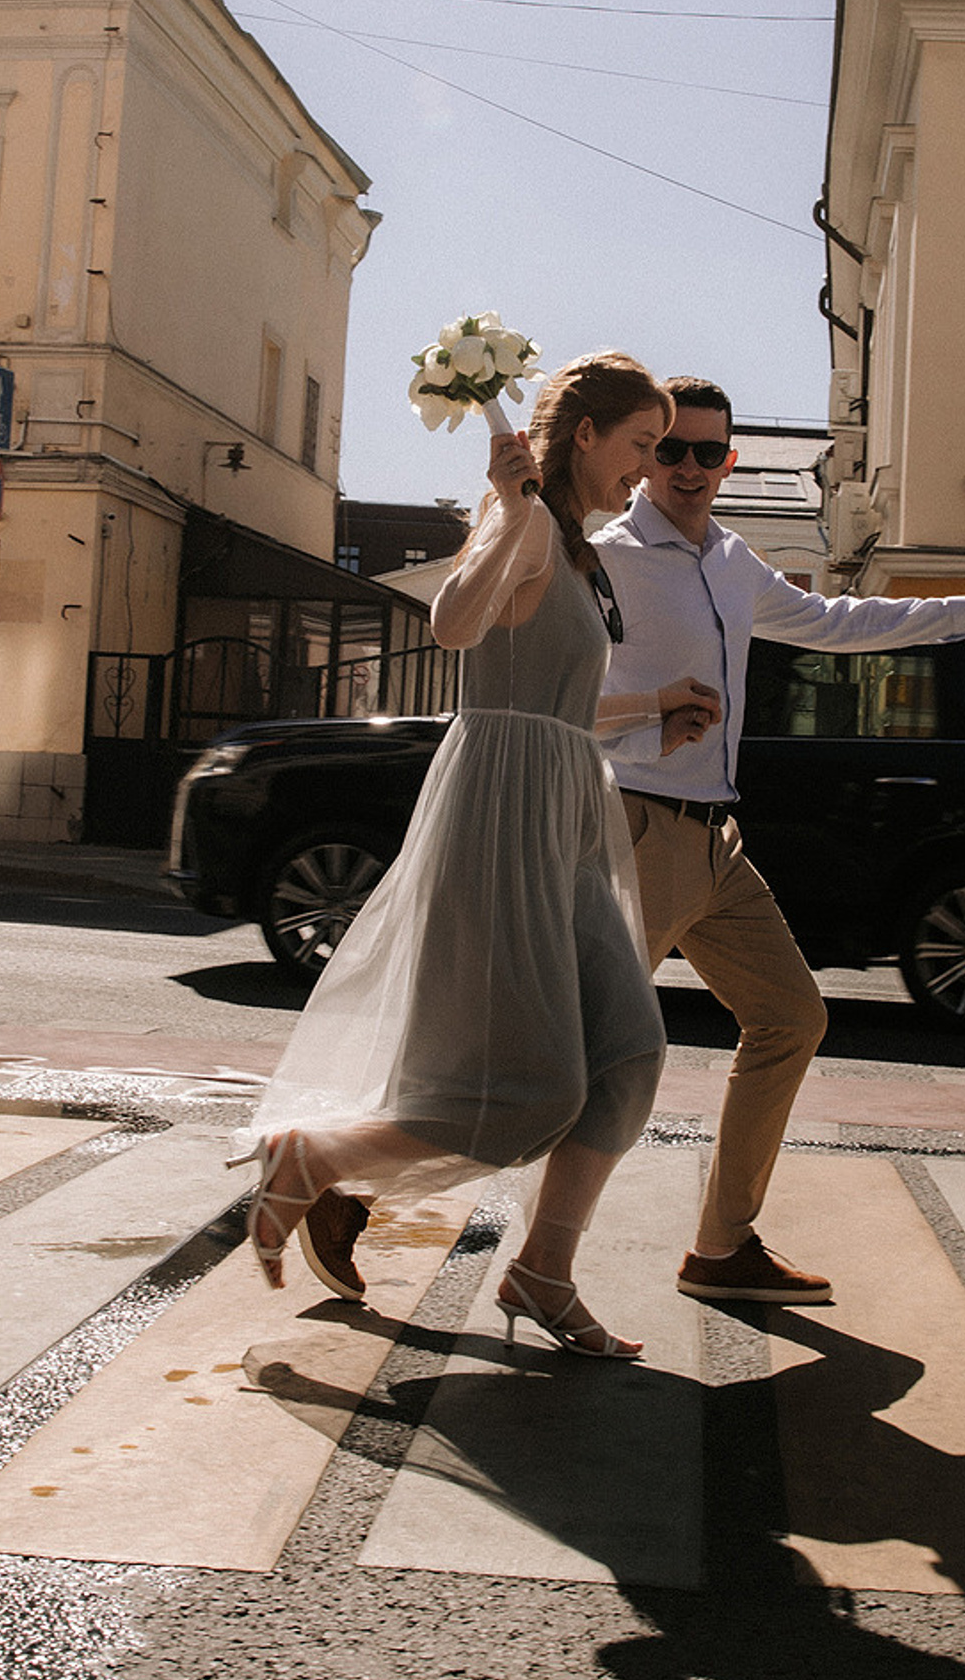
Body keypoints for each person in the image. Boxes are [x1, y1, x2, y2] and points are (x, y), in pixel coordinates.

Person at [237, 353, 722, 1361]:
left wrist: (652, 707)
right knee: (534, 1090)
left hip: (560, 810)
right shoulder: (533, 521)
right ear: (585, 434)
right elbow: (455, 626)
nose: (650, 465)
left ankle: (543, 1270)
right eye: (641, 443)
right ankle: (309, 1160)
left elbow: (554, 699)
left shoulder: (574, 544)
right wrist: (505, 506)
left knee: (627, 1052)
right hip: (503, 816)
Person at [596, 377, 965, 1304]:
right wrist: (642, 729)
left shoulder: (731, 560)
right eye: (672, 451)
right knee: (574, 1053)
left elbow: (832, 623)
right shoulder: (608, 558)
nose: (691, 469)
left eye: (710, 453)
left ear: (732, 463)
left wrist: (955, 613)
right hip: (636, 831)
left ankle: (720, 1246)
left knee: (790, 1018)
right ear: (644, 458)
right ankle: (346, 1179)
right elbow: (555, 705)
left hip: (716, 842)